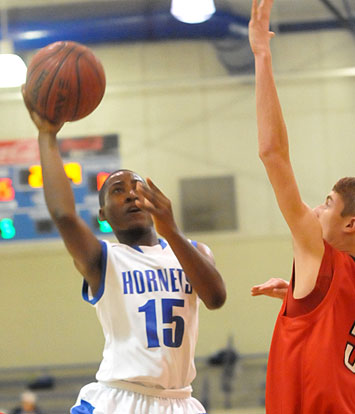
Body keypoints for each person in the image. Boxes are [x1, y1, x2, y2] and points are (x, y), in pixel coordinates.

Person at [22, 87, 226, 414]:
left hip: (179, 402)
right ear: (103, 215)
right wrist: (47, 136)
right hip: (119, 399)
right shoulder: (104, 260)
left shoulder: (192, 249)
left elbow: (216, 298)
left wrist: (170, 230)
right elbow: (64, 216)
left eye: (137, 188)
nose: (131, 195)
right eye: (118, 191)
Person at [248, 0, 355, 412]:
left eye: (327, 205)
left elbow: (273, 153)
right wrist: (302, 295)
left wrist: (261, 55)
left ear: (350, 225)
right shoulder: (326, 278)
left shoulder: (321, 255)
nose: (313, 210)